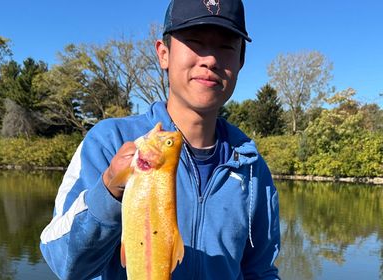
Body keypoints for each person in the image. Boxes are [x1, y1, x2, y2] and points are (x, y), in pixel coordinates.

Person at [40, 0, 281, 279]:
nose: (210, 59)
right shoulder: (108, 142)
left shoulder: (251, 167)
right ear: (163, 53)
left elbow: (261, 270)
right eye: (195, 42)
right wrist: (107, 192)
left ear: (240, 61)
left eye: (226, 46)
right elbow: (63, 263)